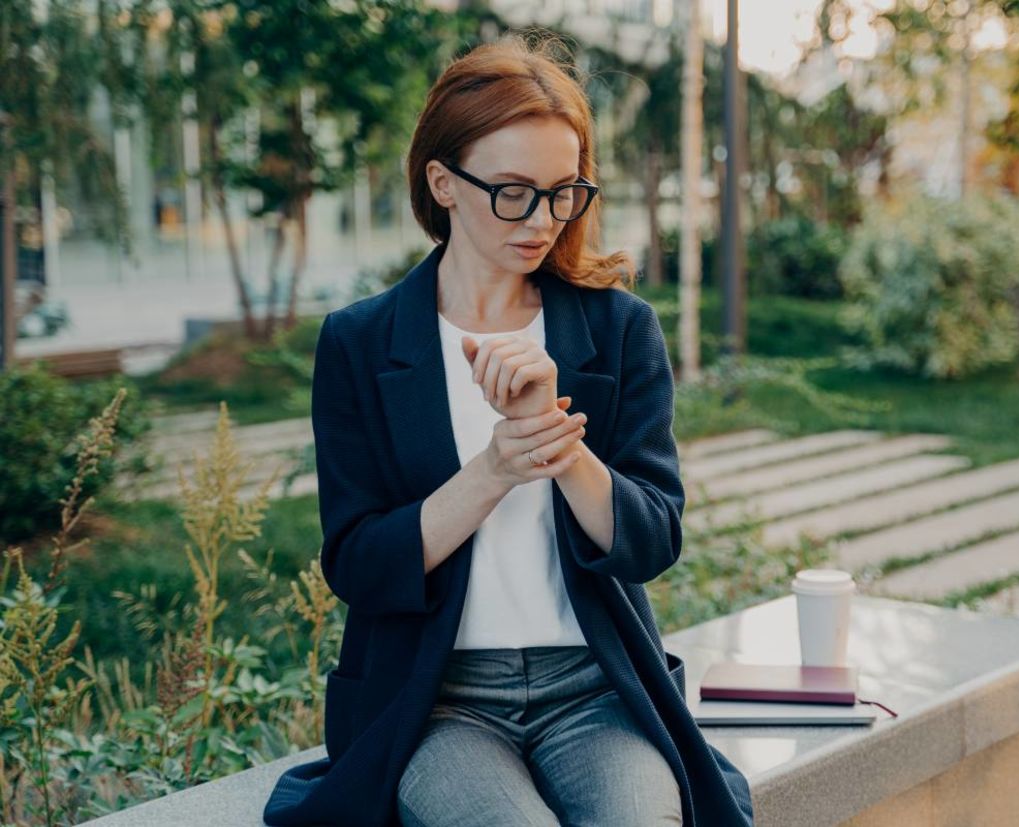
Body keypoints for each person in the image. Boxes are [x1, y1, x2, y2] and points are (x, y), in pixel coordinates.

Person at [262, 32, 754, 827]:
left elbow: (653, 540)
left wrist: (559, 448)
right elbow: (356, 561)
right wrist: (492, 469)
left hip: (596, 689)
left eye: (564, 191)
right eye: (514, 191)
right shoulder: (360, 341)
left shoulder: (620, 329)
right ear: (442, 182)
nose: (544, 220)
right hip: (437, 703)